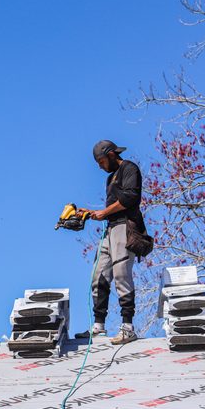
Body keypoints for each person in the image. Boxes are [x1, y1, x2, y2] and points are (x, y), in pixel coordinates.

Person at [79, 140, 144, 345]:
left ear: (110, 155)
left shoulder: (129, 168)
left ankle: (127, 327)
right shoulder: (110, 179)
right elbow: (108, 210)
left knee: (121, 274)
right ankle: (98, 325)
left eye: (100, 161)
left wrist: (104, 213)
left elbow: (130, 198)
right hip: (110, 229)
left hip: (125, 227)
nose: (99, 166)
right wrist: (89, 214)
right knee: (99, 275)